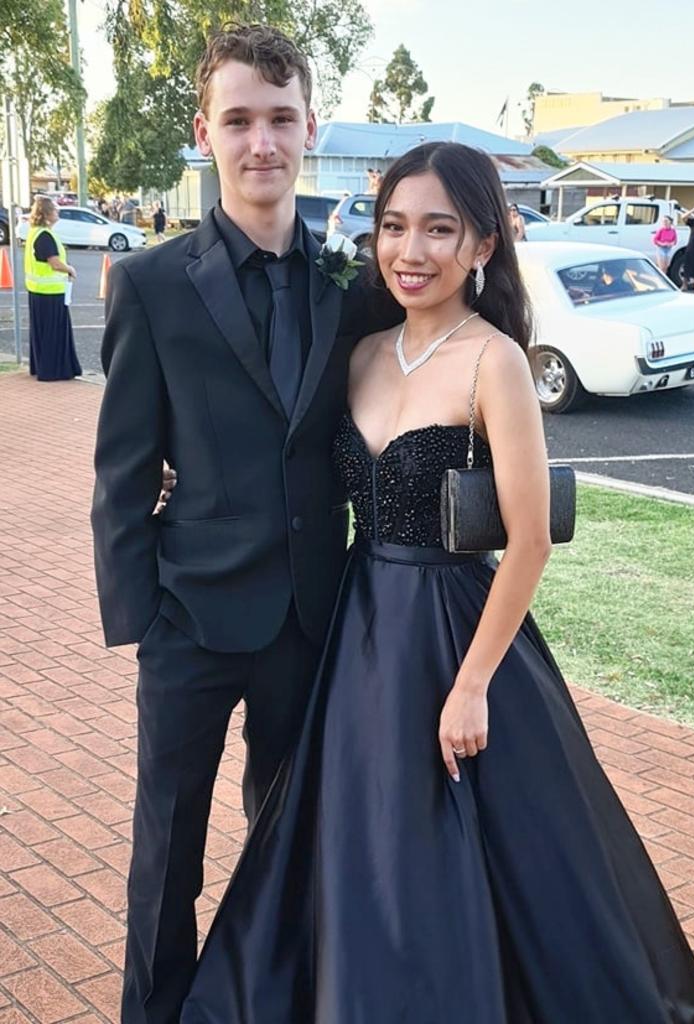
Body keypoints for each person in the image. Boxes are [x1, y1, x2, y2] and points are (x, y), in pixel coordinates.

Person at [180, 142, 694, 1024]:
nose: (412, 250)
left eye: (440, 229)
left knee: (477, 856)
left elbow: (530, 539)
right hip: (359, 635)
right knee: (361, 840)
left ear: (482, 244)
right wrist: (183, 479)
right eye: (395, 226)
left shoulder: (495, 361)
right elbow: (283, 461)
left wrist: (472, 684)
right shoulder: (359, 353)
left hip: (453, 633)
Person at [90, 24, 398, 1024]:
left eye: (279, 118)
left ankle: (275, 1002)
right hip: (189, 620)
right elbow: (123, 469)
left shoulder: (353, 284)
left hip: (312, 619)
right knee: (165, 855)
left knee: (293, 839)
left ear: (310, 125)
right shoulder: (150, 284)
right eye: (238, 120)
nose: (260, 141)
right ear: (206, 132)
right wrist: (140, 620)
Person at [23, 196, 82, 381]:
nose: (58, 213)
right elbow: (54, 263)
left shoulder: (35, 232)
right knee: (54, 332)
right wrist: (70, 269)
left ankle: (41, 365)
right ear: (46, 214)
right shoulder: (45, 236)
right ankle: (53, 369)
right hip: (50, 291)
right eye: (55, 210)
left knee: (41, 332)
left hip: (38, 290)